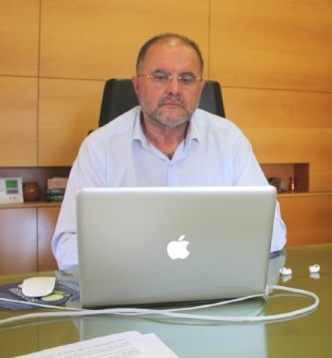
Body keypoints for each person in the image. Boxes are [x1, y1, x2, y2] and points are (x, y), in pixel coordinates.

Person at [51, 33, 287, 270]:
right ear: (137, 85)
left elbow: (273, 232)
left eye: (187, 79)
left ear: (200, 88)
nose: (174, 89)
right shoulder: (99, 148)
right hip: (130, 284)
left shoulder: (229, 141)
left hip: (211, 279)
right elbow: (67, 248)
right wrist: (145, 252)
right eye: (161, 77)